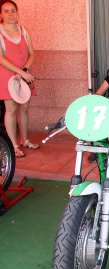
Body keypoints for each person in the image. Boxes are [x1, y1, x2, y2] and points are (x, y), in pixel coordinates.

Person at [0, 0, 37, 158]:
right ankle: (14, 145)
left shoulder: (23, 30)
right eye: (6, 11)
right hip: (8, 75)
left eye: (13, 11)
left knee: (24, 108)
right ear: (1, 14)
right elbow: (0, 58)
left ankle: (25, 139)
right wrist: (20, 72)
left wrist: (25, 70)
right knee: (11, 109)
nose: (10, 14)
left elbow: (32, 53)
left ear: (17, 12)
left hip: (24, 74)